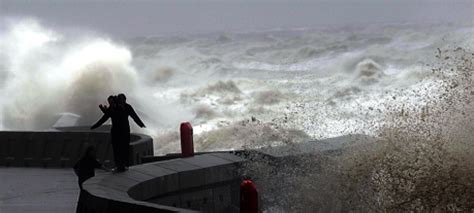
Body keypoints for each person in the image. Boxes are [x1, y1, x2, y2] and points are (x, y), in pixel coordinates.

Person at [91, 94, 145, 172]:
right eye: (109, 102)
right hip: (116, 132)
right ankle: (119, 166)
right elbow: (104, 118)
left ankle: (124, 165)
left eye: (122, 100)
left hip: (125, 131)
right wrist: (95, 126)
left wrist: (141, 124)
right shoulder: (113, 108)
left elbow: (134, 116)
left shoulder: (126, 107)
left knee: (124, 148)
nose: (110, 104)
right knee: (116, 149)